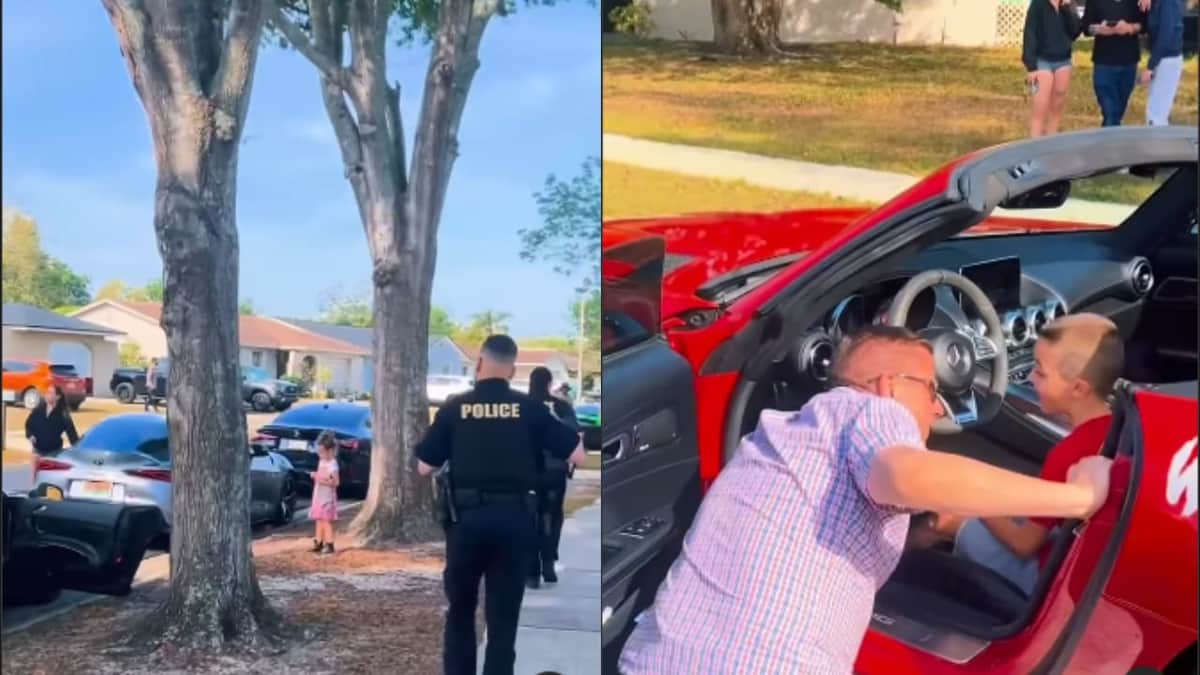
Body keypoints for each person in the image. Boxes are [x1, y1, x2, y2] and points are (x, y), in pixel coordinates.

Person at [618, 325, 1114, 674]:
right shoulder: (868, 410)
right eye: (932, 389)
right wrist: (1079, 496)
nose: (940, 407)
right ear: (889, 385)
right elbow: (905, 474)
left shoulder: (783, 437)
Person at [415, 334, 587, 675]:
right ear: (511, 370)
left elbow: (424, 466)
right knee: (503, 620)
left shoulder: (455, 407)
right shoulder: (529, 408)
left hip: (466, 523)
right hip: (515, 522)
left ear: (479, 363)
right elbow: (578, 456)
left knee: (461, 613)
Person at [914, 313, 1120, 594]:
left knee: (948, 517)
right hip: (1084, 556)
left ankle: (901, 574)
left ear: (1079, 388)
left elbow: (1025, 545)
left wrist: (975, 501)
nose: (1030, 377)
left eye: (1040, 371)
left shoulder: (1069, 454)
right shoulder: (1119, 428)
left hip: (1050, 579)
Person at [527, 366, 581, 588]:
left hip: (527, 471)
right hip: (555, 470)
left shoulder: (521, 406)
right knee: (551, 517)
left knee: (529, 519)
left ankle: (531, 573)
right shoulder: (561, 406)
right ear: (549, 384)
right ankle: (548, 564)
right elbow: (575, 435)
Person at [1082, 0, 1149, 126]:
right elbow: (1086, 27)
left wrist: (1130, 28)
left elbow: (1145, 25)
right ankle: (1111, 141)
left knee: (1117, 111)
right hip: (1103, 62)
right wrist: (1099, 29)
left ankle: (1111, 139)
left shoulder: (1139, 1)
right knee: (1110, 112)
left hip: (1129, 61)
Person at [1022, 0, 1083, 137]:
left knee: (1056, 107)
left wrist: (1067, 8)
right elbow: (1030, 32)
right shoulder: (1038, 4)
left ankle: (1051, 142)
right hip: (1042, 61)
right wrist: (1031, 66)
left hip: (1063, 60)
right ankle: (1035, 146)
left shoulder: (1067, 5)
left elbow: (1075, 31)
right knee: (1040, 108)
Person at [1141, 0, 1186, 125]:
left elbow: (1165, 36)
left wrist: (1150, 67)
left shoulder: (1168, 3)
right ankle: (1158, 142)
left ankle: (1158, 143)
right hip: (1162, 59)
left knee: (1156, 115)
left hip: (1168, 60)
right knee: (1155, 112)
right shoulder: (1156, 3)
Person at [308, 430, 340, 555]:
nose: (320, 455)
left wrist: (320, 479)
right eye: (319, 452)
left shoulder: (333, 465)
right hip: (319, 495)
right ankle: (318, 541)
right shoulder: (321, 462)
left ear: (330, 451)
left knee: (326, 520)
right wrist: (316, 476)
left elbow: (336, 482)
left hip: (327, 497)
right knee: (318, 519)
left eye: (322, 452)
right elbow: (320, 476)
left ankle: (330, 543)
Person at [25, 384, 80, 456]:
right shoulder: (38, 410)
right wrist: (30, 435)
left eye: (50, 393)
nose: (47, 394)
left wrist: (78, 450)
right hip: (37, 451)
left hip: (54, 452)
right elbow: (29, 424)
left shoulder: (63, 414)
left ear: (57, 397)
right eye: (47, 392)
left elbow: (72, 434)